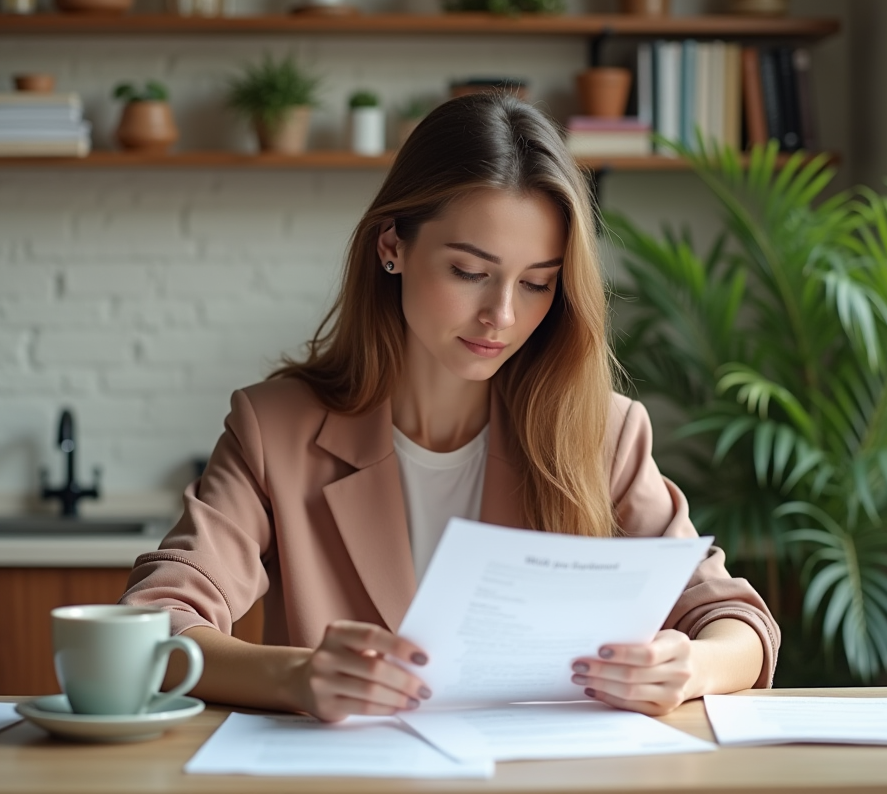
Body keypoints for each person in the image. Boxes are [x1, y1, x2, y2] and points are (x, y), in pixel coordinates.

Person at [119, 92, 780, 723]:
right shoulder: (276, 430)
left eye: (538, 283)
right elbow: (155, 624)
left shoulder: (603, 434)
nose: (501, 315)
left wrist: (690, 667)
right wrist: (292, 675)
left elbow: (735, 623)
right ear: (392, 247)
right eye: (469, 272)